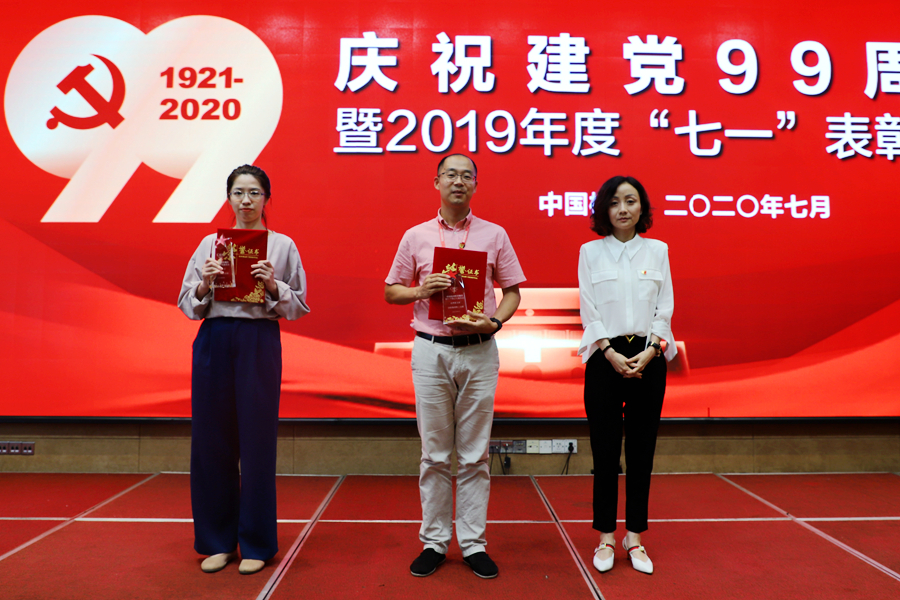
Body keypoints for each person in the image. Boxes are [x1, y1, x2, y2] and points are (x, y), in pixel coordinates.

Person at [384, 154, 525, 579]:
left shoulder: (494, 234)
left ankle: (474, 543)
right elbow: (392, 291)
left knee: (475, 454)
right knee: (434, 454)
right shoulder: (416, 236)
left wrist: (495, 321)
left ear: (475, 185)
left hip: (479, 350)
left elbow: (513, 291)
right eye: (451, 175)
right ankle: (434, 541)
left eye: (467, 176)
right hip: (431, 350)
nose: (458, 181)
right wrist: (419, 291)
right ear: (437, 182)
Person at [177, 165, 310, 575]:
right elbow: (186, 302)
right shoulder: (209, 244)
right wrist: (205, 284)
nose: (246, 200)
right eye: (239, 192)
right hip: (214, 339)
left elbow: (299, 306)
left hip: (258, 341)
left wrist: (272, 285)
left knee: (257, 442)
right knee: (211, 441)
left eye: (254, 192)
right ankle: (217, 541)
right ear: (229, 198)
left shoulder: (282, 246)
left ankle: (256, 543)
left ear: (266, 198)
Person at [577, 175, 676, 575]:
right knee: (604, 453)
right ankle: (605, 536)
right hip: (605, 358)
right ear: (604, 209)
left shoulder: (658, 250)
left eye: (631, 201)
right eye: (615, 202)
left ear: (642, 208)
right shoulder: (590, 252)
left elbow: (665, 308)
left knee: (641, 452)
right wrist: (609, 352)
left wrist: (652, 350)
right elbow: (588, 308)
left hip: (649, 358)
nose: (623, 209)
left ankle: (634, 537)